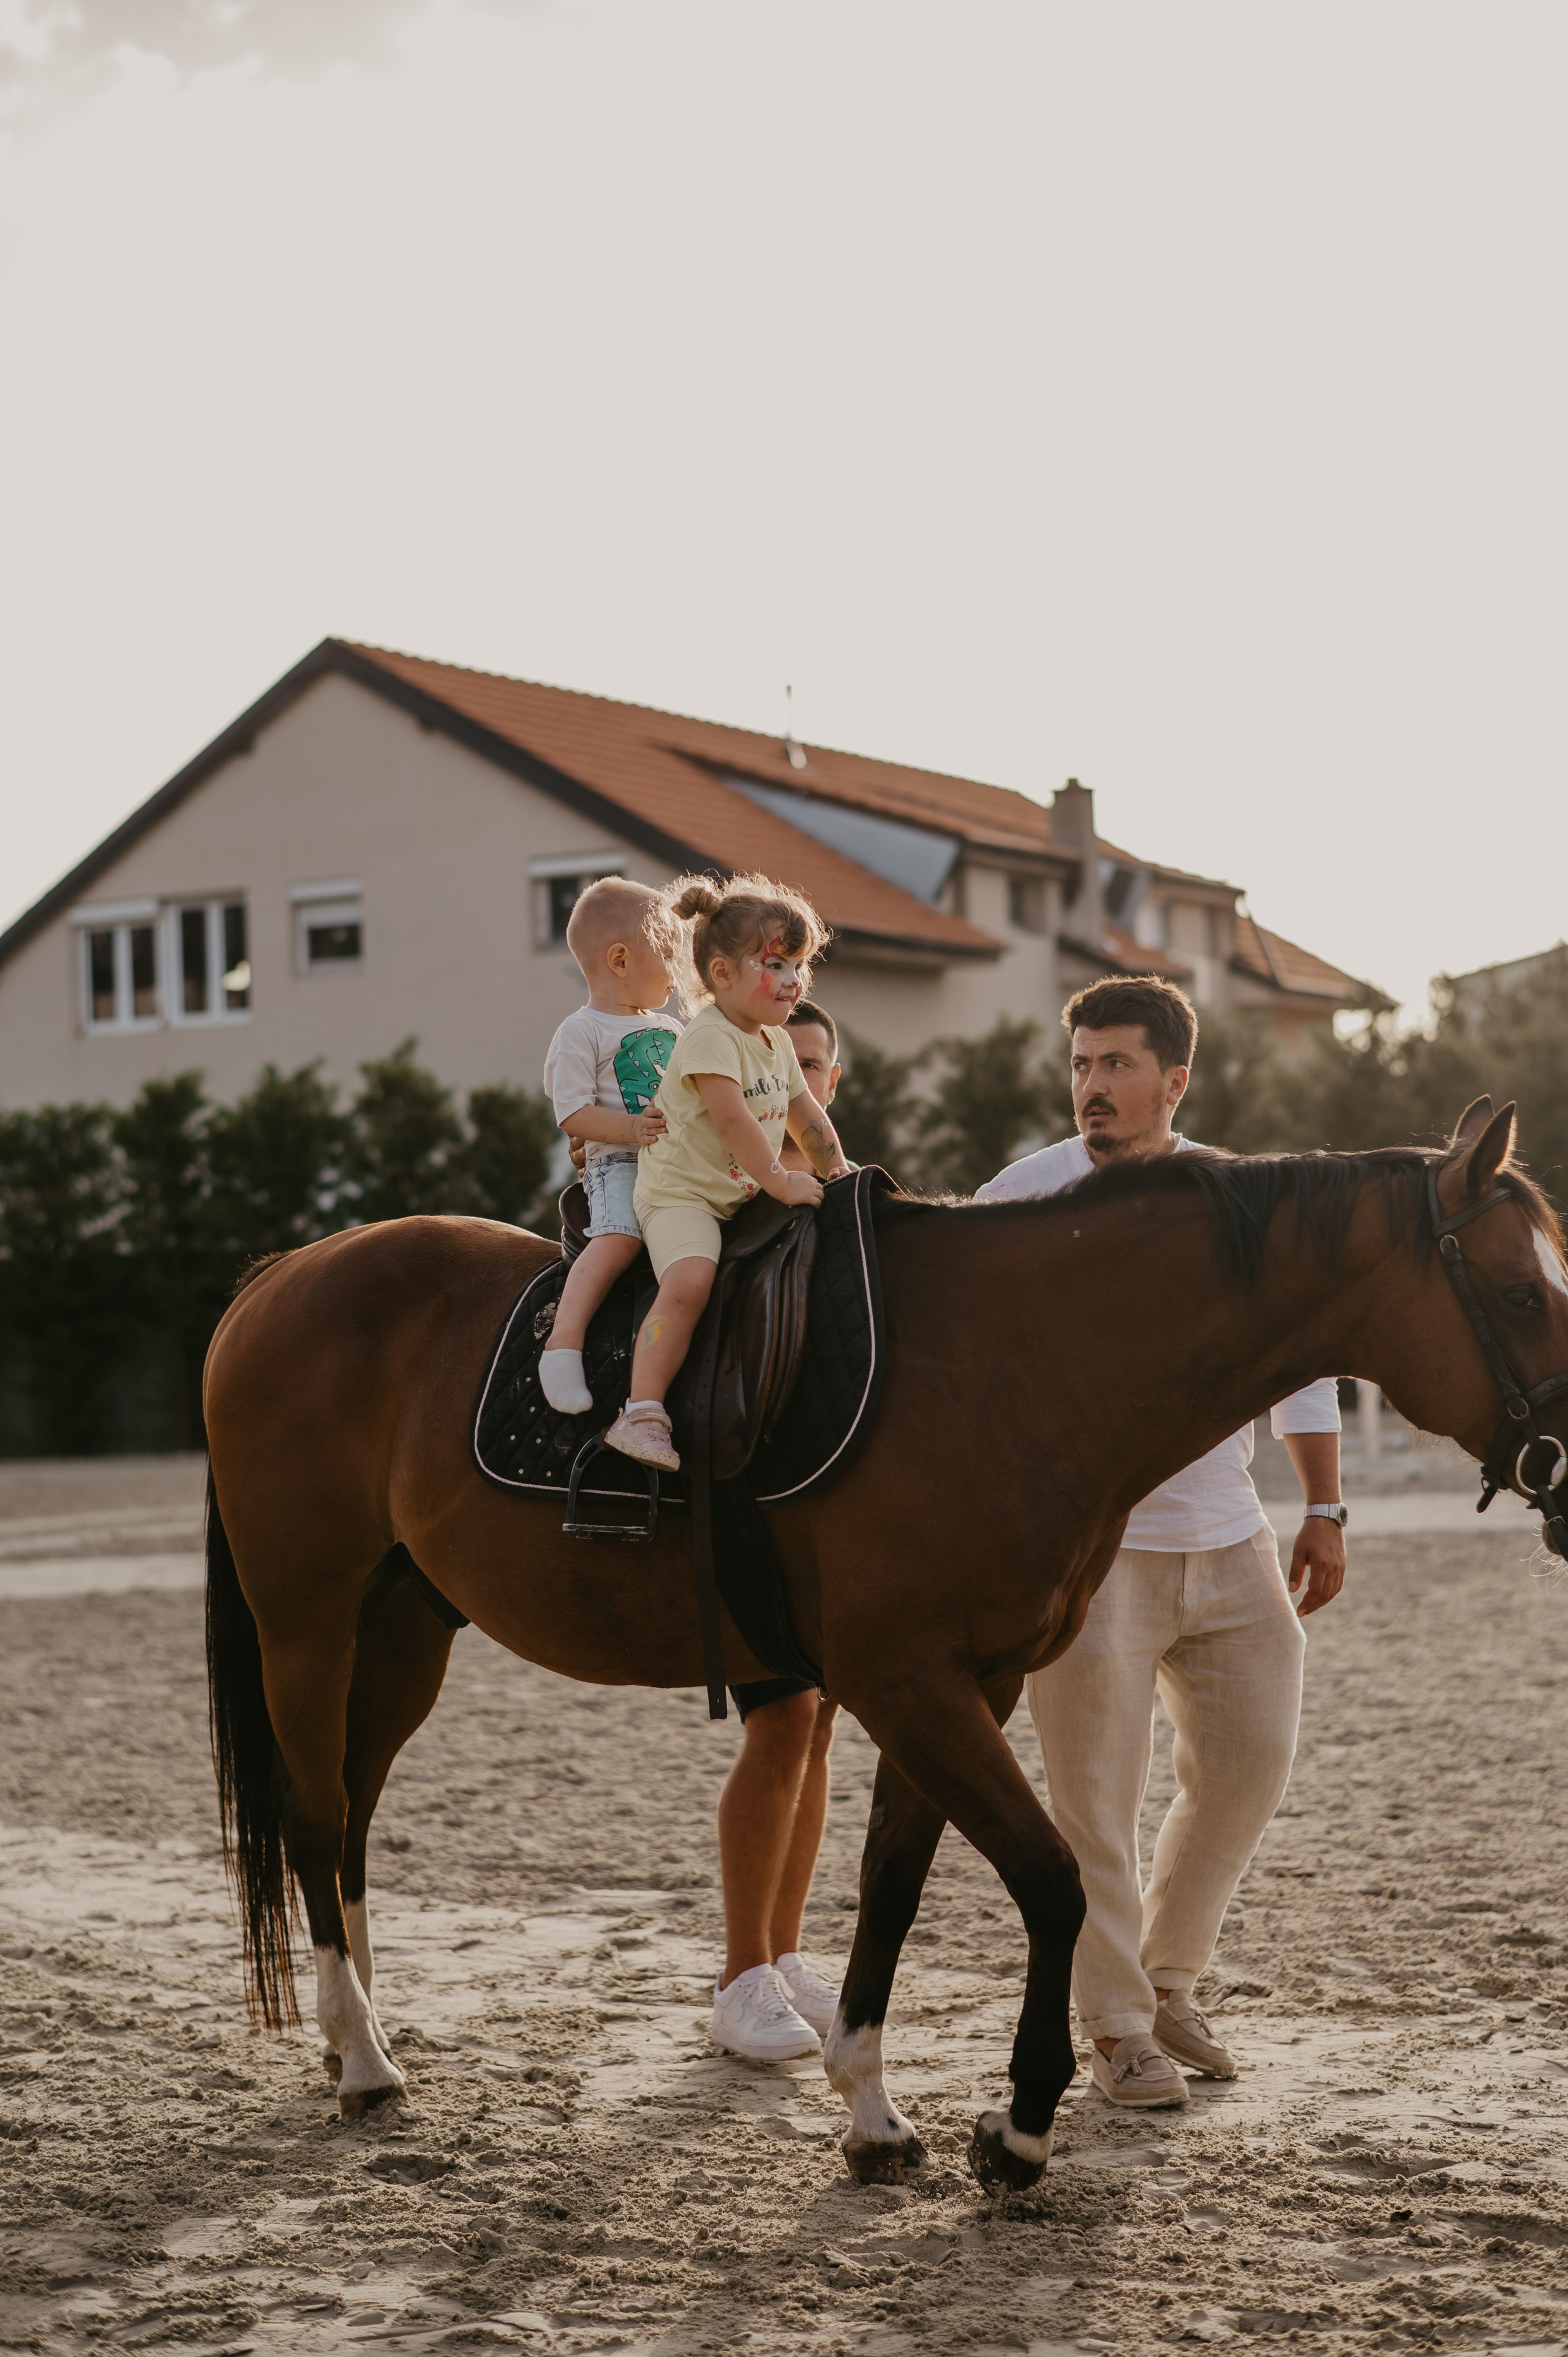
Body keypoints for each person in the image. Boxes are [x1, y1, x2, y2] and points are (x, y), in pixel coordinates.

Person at [974, 974, 1348, 2110]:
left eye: (1117, 1065)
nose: (1092, 1085)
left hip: (1231, 1536)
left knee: (1249, 1761)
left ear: (1174, 1080)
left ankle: (1169, 1978)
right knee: (1095, 1799)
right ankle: (1118, 2028)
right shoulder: (1021, 1196)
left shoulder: (1237, 1197)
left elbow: (1302, 1359)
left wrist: (1324, 1506)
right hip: (1089, 1552)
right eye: (1082, 1064)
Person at [603, 875, 850, 1474]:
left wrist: (839, 1170)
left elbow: (806, 1115)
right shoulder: (710, 1037)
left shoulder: (775, 1042)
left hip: (735, 1191)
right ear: (721, 974)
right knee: (690, 1280)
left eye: (798, 966)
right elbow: (734, 1121)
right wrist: (780, 1180)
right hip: (682, 1195)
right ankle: (641, 1410)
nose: (792, 980)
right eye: (776, 964)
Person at [710, 996, 848, 2064]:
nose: (787, 1078)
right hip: (752, 1508)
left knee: (817, 1727)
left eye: (806, 1064)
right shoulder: (723, 1193)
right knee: (785, 1715)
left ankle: (787, 1952)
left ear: (828, 1083)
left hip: (834, 1516)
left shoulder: (844, 1208)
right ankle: (741, 1972)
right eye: (774, 1060)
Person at [538, 879, 683, 1416]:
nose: (677, 972)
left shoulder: (671, 1027)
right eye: (668, 955)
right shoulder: (581, 1031)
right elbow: (573, 1113)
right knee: (620, 1235)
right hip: (618, 1161)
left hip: (677, 1162)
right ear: (620, 960)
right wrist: (632, 1129)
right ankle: (563, 1343)